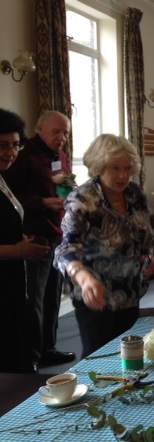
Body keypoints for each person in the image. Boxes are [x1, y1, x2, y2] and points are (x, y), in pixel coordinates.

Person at [54, 134, 154, 358]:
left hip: (129, 290)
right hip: (95, 294)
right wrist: (84, 278)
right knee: (97, 358)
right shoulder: (83, 200)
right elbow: (64, 251)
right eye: (115, 168)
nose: (123, 175)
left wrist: (148, 257)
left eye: (128, 168)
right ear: (99, 167)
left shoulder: (135, 194)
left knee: (130, 355)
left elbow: (145, 240)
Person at [2, 110, 77, 367]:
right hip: (34, 237)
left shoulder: (60, 156)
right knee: (33, 299)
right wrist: (43, 202)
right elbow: (13, 196)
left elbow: (63, 185)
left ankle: (48, 347)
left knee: (52, 296)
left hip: (58, 234)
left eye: (65, 132)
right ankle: (31, 357)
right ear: (40, 129)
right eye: (56, 131)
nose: (61, 137)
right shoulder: (24, 157)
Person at [0, 108, 51, 373]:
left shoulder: (1, 177)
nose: (11, 152)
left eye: (15, 145)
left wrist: (18, 239)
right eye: (3, 145)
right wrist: (17, 250)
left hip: (10, 281)